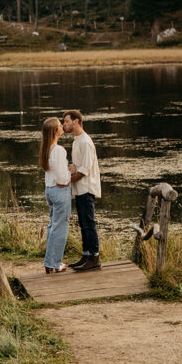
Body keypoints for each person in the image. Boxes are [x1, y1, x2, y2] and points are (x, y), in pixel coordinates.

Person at [62, 109, 101, 270]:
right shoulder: (76, 140)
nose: (64, 125)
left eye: (66, 121)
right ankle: (85, 256)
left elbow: (84, 170)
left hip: (86, 188)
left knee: (89, 223)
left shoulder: (85, 141)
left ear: (76, 121)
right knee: (83, 223)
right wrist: (71, 169)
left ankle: (94, 257)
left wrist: (66, 182)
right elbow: (78, 166)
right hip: (79, 189)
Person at [39, 116, 71, 274]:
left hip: (49, 190)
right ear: (55, 131)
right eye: (59, 125)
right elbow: (62, 178)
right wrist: (70, 174)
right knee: (60, 227)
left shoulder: (46, 149)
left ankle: (50, 262)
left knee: (53, 226)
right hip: (59, 192)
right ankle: (54, 263)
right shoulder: (58, 150)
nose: (62, 126)